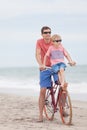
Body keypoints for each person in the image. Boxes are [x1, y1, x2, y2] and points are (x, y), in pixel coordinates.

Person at [35, 26, 58, 122]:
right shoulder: (39, 42)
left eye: (49, 32)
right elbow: (37, 54)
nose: (48, 34)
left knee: (62, 85)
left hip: (55, 67)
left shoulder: (55, 41)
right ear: (42, 34)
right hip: (45, 68)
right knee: (43, 90)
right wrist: (41, 64)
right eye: (45, 32)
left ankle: (62, 108)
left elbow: (60, 52)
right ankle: (40, 115)